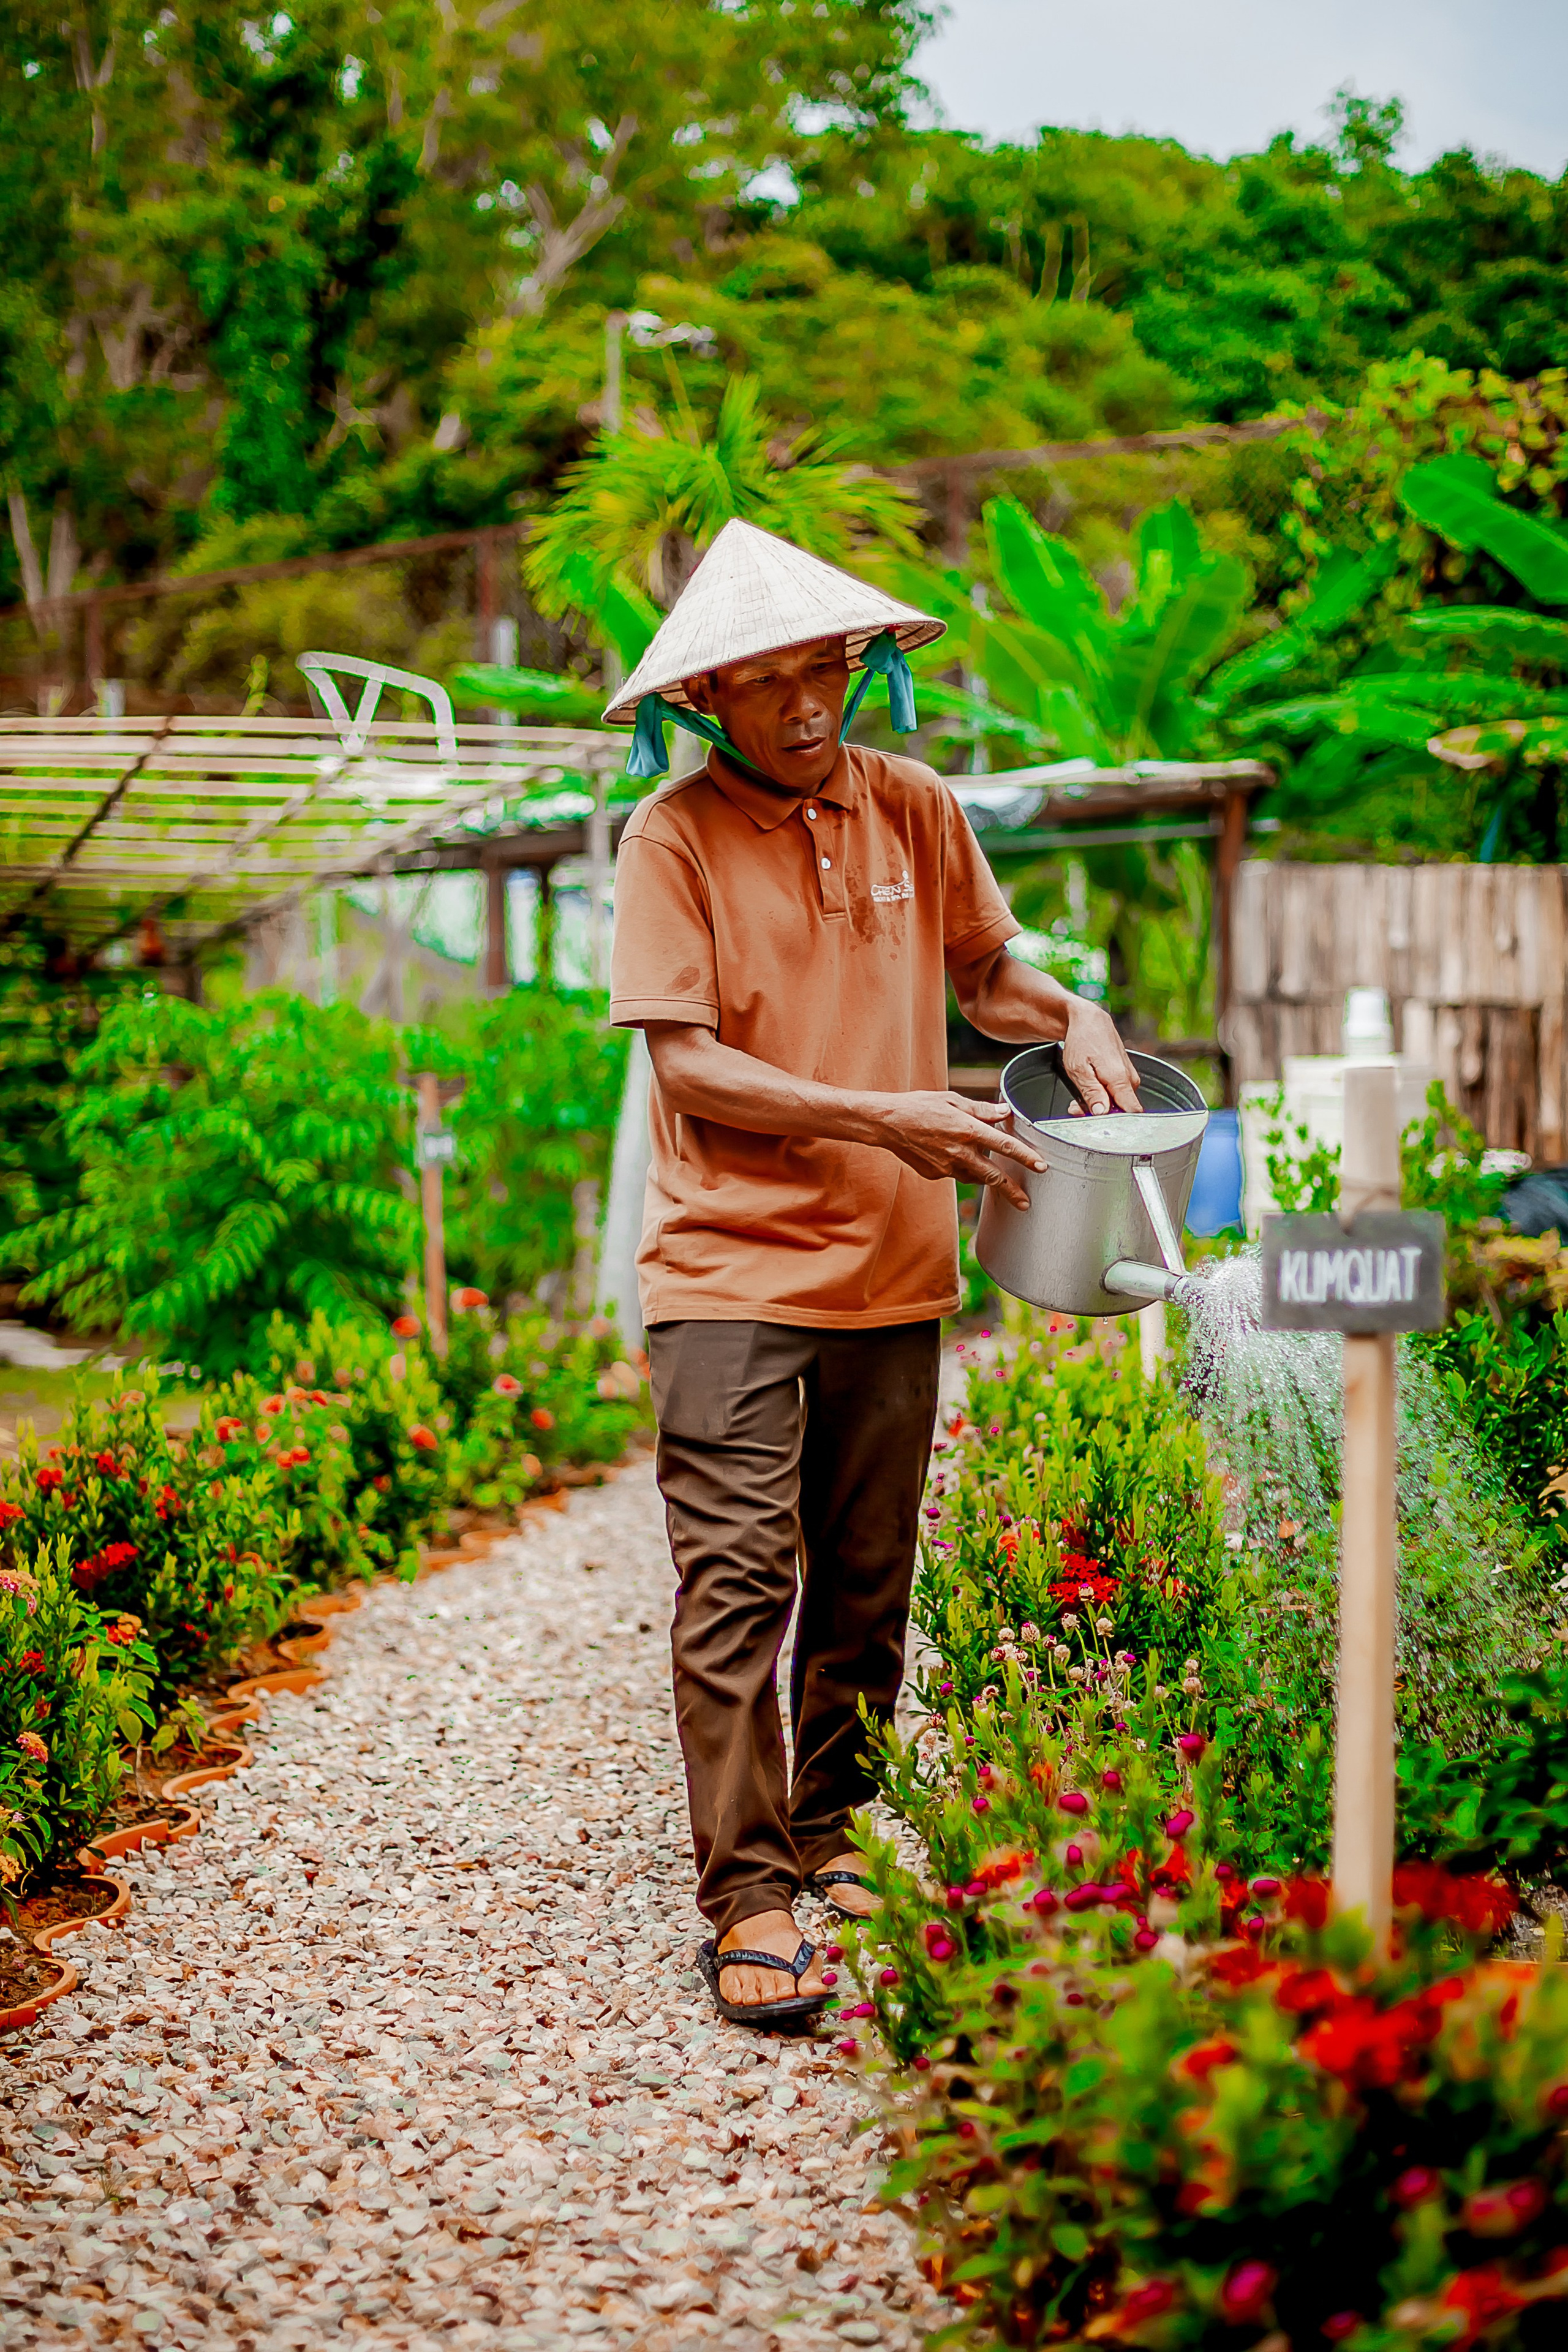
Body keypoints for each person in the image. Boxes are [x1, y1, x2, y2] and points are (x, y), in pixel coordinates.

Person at [605, 519, 1139, 2027]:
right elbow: (693, 1068)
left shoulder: (911, 803)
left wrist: (1072, 1008)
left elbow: (988, 968)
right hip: (729, 1266)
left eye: (820, 667)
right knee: (735, 1581)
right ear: (705, 699)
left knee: (862, 1580)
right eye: (762, 681)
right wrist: (885, 1116)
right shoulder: (672, 838)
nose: (801, 703)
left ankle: (833, 1829)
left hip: (898, 1270)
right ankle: (748, 1890)